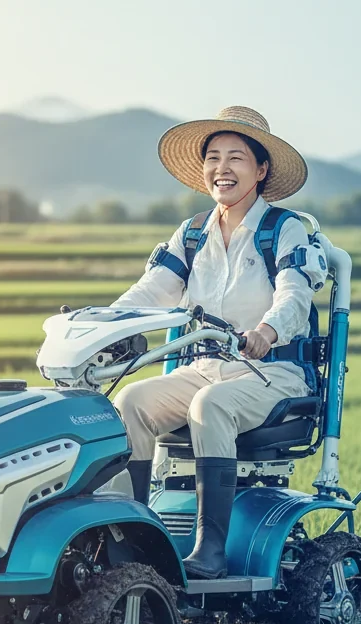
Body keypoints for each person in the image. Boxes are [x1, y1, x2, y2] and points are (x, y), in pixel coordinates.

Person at [111, 106, 326, 579]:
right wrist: (105, 324)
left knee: (211, 405)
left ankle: (210, 550)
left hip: (272, 373)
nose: (221, 168)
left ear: (261, 169)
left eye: (236, 158)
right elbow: (151, 291)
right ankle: (132, 543)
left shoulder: (284, 229)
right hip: (203, 369)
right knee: (130, 402)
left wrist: (266, 332)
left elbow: (294, 293)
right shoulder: (192, 234)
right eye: (213, 157)